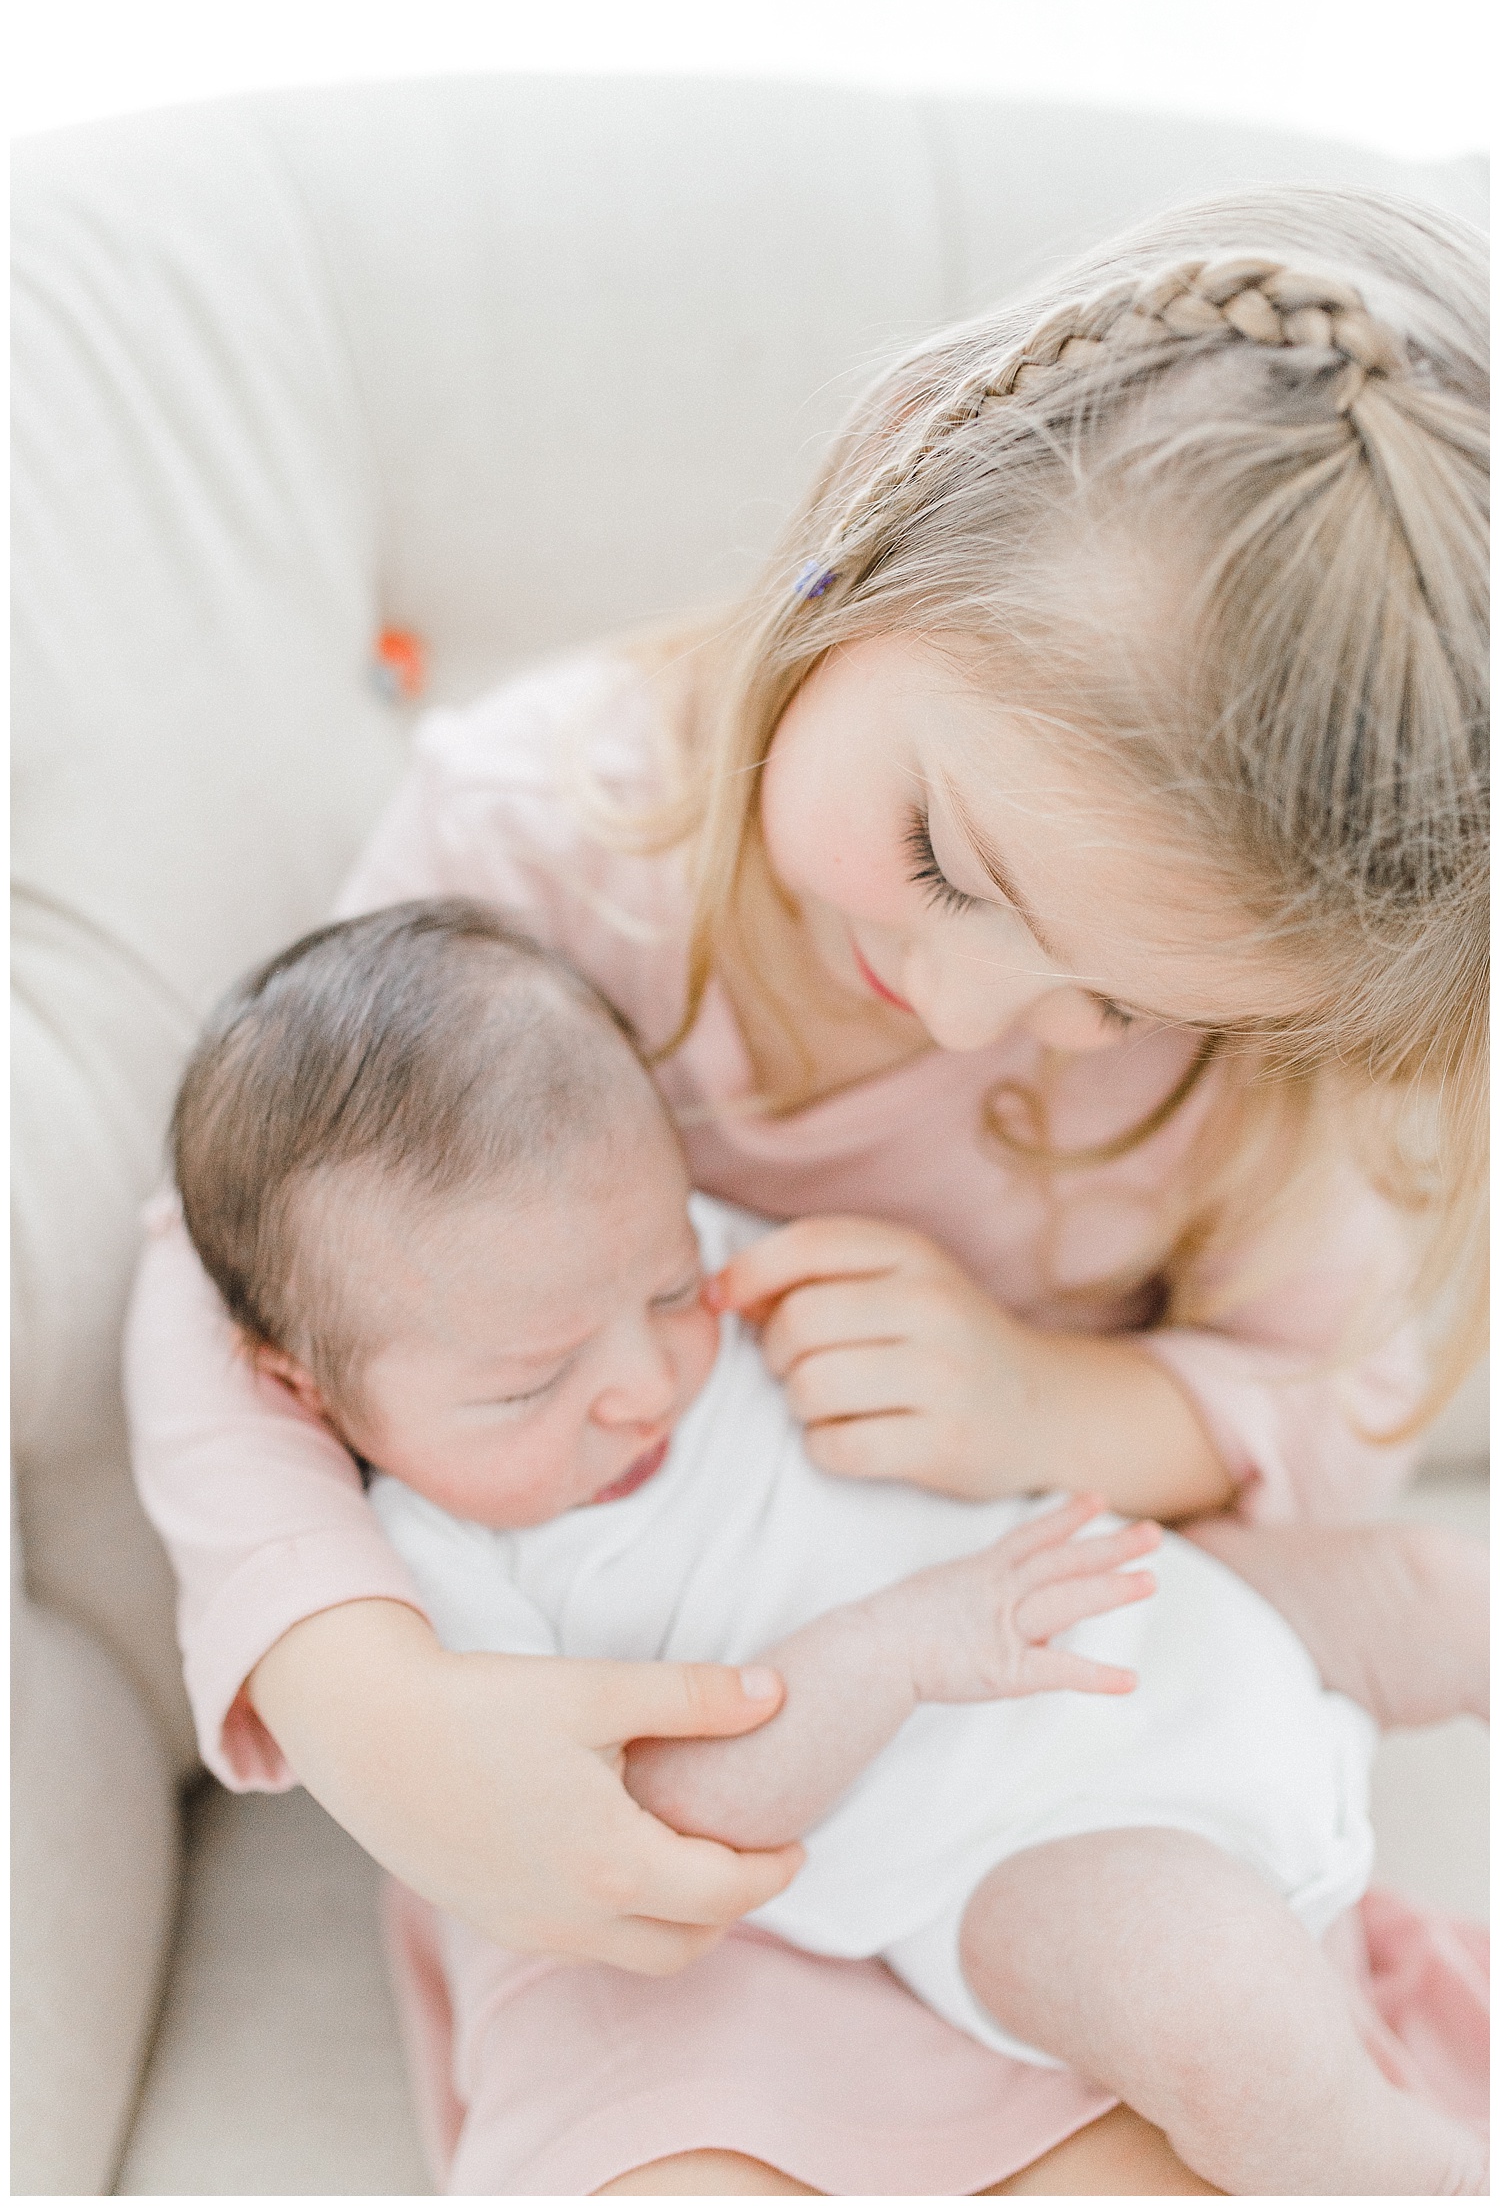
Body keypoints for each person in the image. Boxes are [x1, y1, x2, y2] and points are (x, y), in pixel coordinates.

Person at [126, 183, 1487, 2195]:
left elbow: (1320, 1408)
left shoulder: (1250, 1074)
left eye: (1110, 997)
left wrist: (1047, 1396)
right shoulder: (556, 843)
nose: (967, 1007)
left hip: (1059, 1768)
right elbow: (247, 1265)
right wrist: (370, 1704)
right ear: (887, 519)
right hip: (657, 1816)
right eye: (947, 856)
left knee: (1197, 2079)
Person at [165, 897, 1482, 2196]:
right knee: (1221, 2009)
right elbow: (650, 1822)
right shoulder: (437, 1579)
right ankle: (1401, 2171)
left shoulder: (686, 1261)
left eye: (671, 1284)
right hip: (1021, 1843)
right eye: (532, 1382)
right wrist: (893, 1654)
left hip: (1161, 1597)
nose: (645, 1379)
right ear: (302, 1385)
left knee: (1446, 1587)